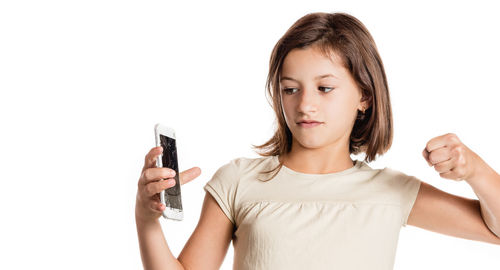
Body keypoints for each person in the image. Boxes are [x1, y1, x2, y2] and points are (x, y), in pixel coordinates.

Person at [135, 11, 500, 270]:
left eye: (325, 88)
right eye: (290, 89)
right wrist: (146, 218)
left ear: (364, 96)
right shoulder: (237, 182)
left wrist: (475, 171)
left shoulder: (392, 191)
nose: (305, 104)